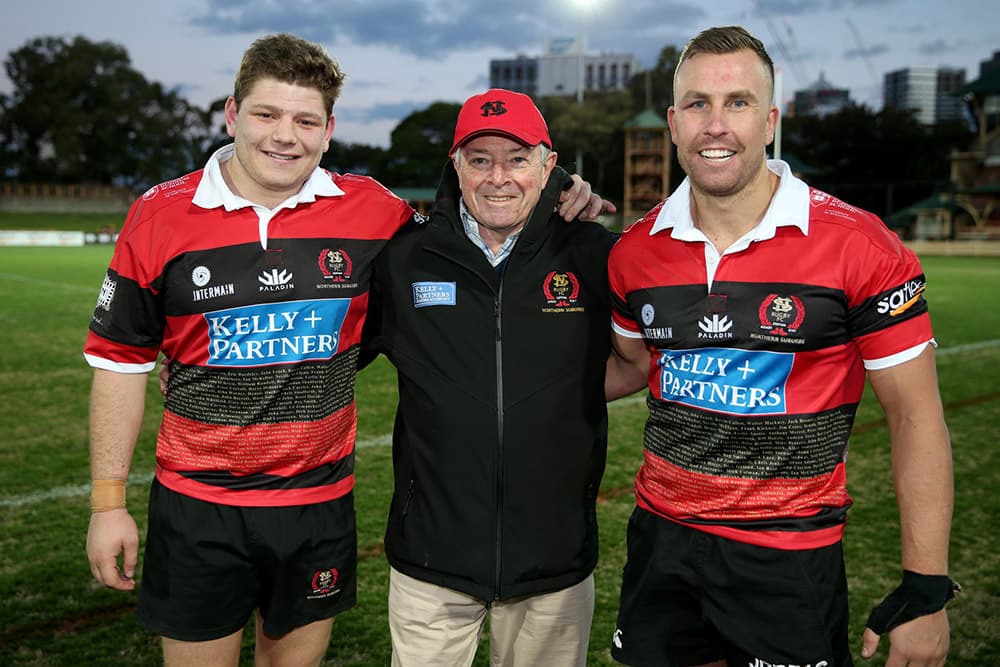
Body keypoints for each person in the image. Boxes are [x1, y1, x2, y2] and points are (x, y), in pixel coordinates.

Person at [83, 35, 602, 667]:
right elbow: (118, 366)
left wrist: (567, 190)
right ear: (231, 115)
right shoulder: (159, 214)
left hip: (317, 503)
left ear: (328, 130)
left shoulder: (372, 213)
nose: (285, 136)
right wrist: (108, 505)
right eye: (267, 115)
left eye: (305, 120)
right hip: (197, 505)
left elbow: (474, 221)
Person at [605, 26, 957, 667]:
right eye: (697, 105)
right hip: (661, 542)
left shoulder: (859, 245)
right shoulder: (634, 251)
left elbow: (916, 416)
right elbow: (628, 366)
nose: (716, 125)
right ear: (673, 123)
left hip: (789, 554)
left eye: (737, 103)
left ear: (770, 121)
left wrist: (926, 588)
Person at [365, 88, 619, 666]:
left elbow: (649, 357)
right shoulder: (405, 259)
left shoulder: (593, 255)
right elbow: (328, 349)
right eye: (479, 160)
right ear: (456, 165)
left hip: (552, 565)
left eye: (517, 158)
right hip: (430, 562)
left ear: (549, 164)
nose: (497, 177)